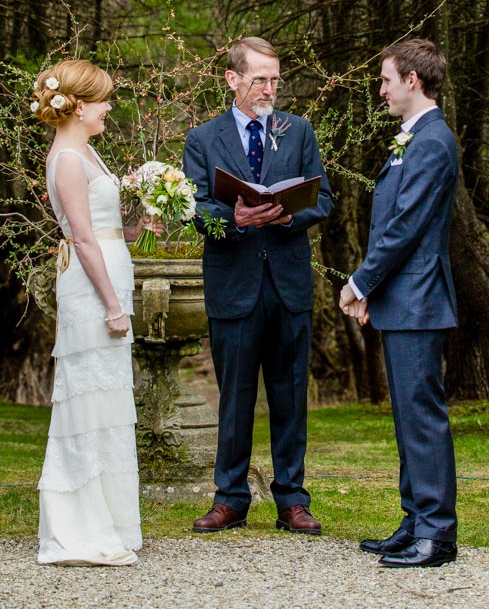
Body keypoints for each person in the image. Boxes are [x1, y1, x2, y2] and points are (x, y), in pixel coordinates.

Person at [183, 36, 334, 535]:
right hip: (234, 284)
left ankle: (292, 499)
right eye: (259, 79)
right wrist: (236, 219)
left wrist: (286, 215)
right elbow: (196, 208)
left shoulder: (299, 132)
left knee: (290, 396)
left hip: (288, 282)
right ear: (232, 79)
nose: (270, 88)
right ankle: (230, 498)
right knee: (235, 397)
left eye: (274, 79)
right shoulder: (202, 139)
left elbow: (324, 199)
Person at [340, 38, 459, 569]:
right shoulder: (414, 138)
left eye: (387, 79)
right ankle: (415, 523)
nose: (381, 89)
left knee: (422, 416)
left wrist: (361, 283)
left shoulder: (432, 141)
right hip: (404, 297)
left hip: (420, 298)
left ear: (413, 80)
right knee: (409, 417)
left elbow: (406, 225)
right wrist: (376, 291)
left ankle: (437, 535)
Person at [32, 58, 155, 566]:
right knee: (88, 402)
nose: (108, 108)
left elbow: (104, 231)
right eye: (103, 100)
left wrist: (142, 221)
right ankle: (80, 525)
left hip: (106, 272)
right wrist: (111, 306)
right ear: (79, 106)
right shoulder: (66, 159)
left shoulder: (85, 152)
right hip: (91, 288)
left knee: (107, 401)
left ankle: (111, 518)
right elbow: (81, 239)